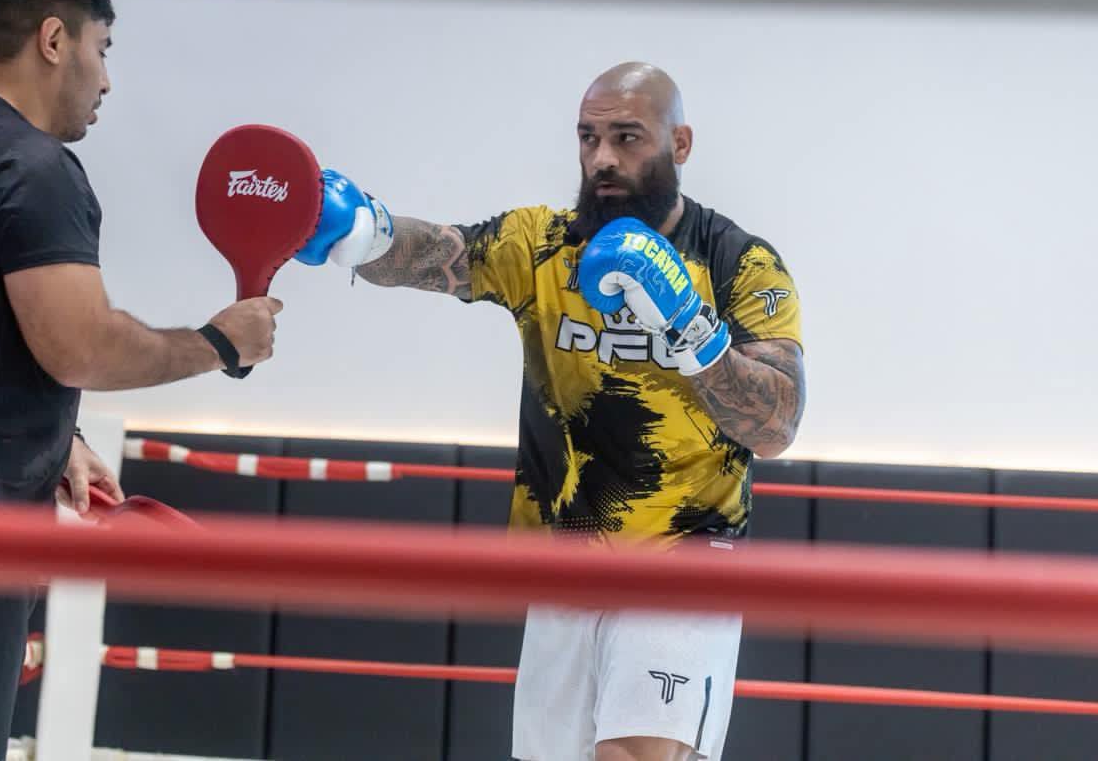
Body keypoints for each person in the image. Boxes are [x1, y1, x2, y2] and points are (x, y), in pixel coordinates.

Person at [294, 62, 806, 761]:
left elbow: (777, 425)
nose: (602, 157)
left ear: (679, 144)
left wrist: (691, 328)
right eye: (588, 137)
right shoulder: (542, 245)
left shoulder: (737, 262)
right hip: (566, 561)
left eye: (627, 137)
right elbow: (439, 253)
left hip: (685, 556)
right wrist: (360, 232)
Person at [0, 0, 281, 760]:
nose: (107, 80)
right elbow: (82, 346)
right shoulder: (32, 164)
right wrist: (219, 343)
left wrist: (60, 440)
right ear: (54, 41)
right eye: (102, 49)